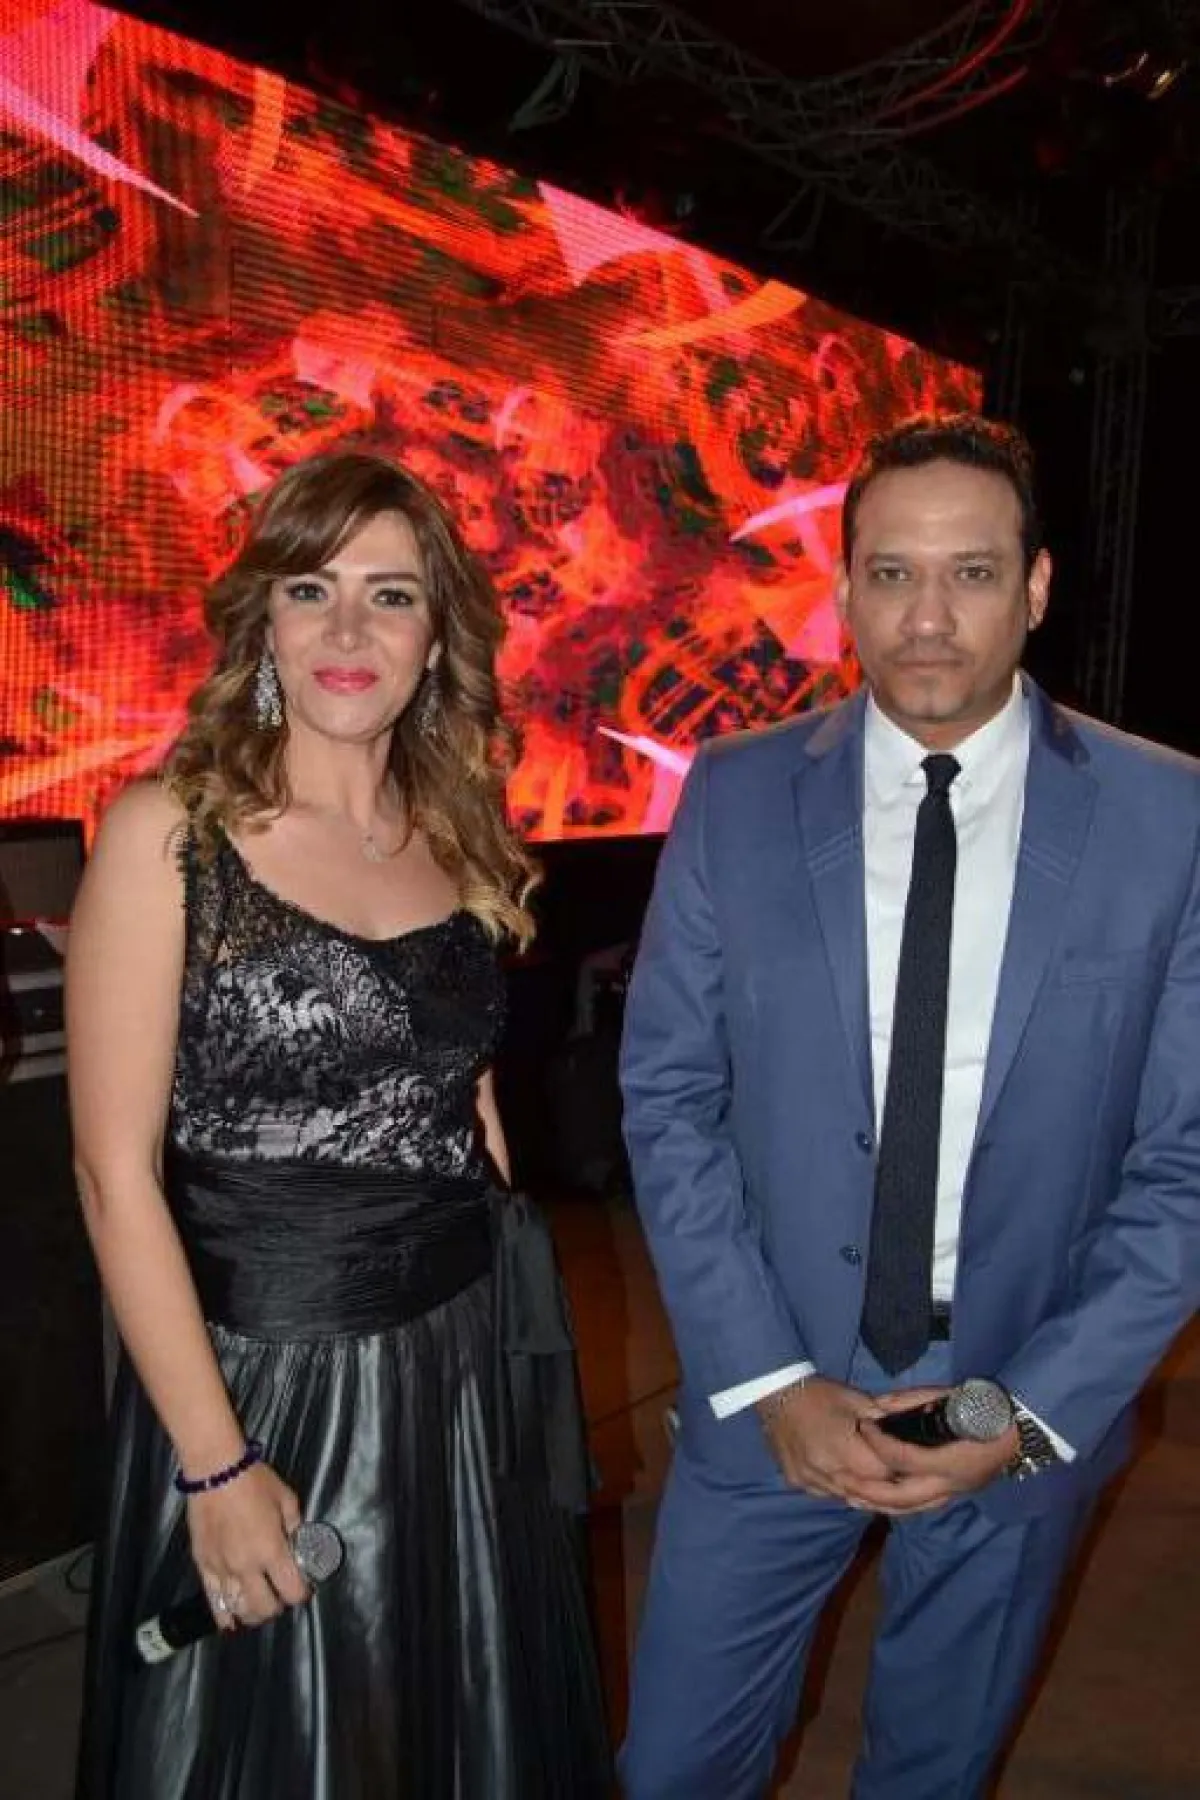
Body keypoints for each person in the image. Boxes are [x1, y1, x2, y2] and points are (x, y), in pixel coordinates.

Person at [618, 413, 1200, 1797]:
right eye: (891, 573)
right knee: (673, 1769)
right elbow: (669, 1096)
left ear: (1037, 587)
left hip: (1018, 1387)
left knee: (933, 1774)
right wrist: (770, 1382)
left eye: (972, 573)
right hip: (772, 1381)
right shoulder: (737, 796)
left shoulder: (1168, 815)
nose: (927, 619)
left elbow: (1186, 1161)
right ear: (842, 588)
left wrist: (1031, 1410)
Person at [68, 449, 611, 1799]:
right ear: (264, 618)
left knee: (452, 1714)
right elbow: (112, 1175)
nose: (350, 630)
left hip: (462, 1356)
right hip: (271, 1381)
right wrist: (215, 1468)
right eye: (312, 589)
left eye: (392, 594)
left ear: (436, 637)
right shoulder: (169, 836)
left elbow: (466, 1095)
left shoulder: (455, 831)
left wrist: (504, 1351)